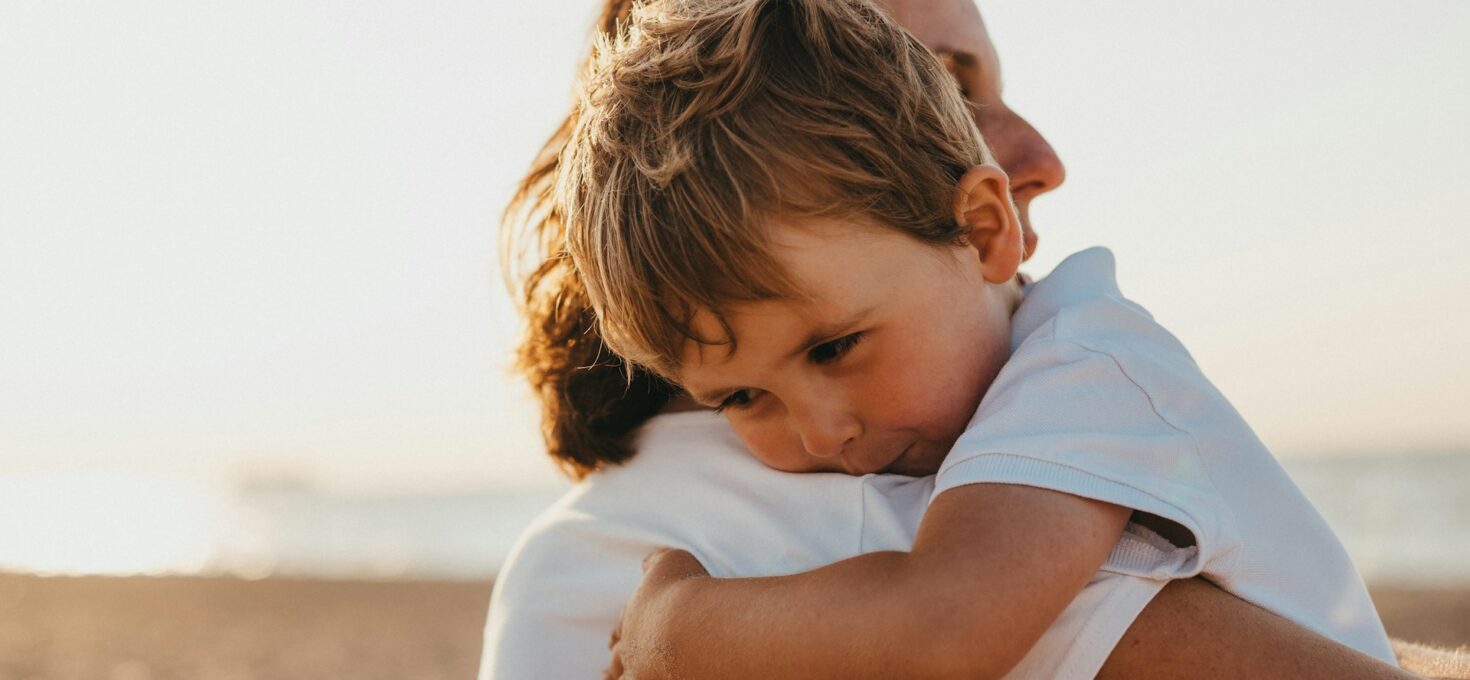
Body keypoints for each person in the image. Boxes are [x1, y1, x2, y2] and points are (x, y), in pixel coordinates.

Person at [481, 0, 1464, 678]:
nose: (818, 431)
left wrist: (678, 625)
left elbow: (943, 619)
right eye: (741, 396)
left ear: (981, 227)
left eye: (832, 348)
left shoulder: (1078, 371)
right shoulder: (773, 512)